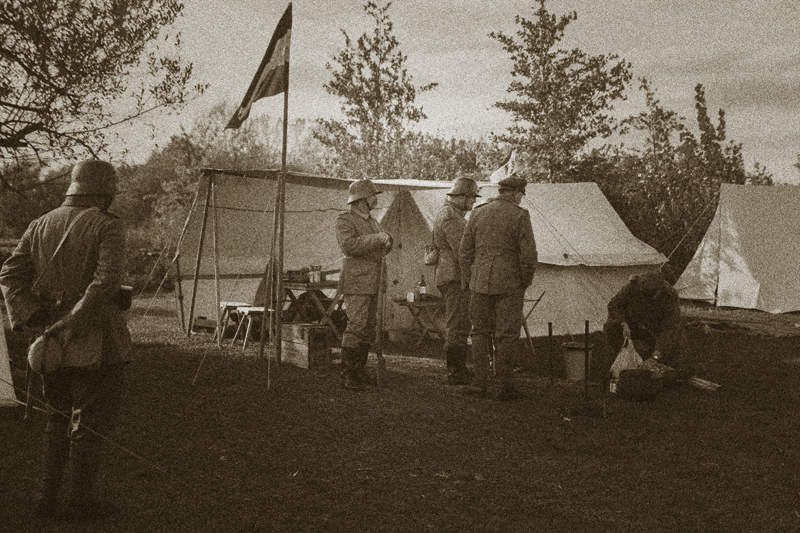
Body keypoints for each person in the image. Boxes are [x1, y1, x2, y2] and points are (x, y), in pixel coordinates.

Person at [0, 160, 132, 521]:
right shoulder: (107, 226)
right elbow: (105, 282)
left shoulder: (39, 223)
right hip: (97, 341)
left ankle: (46, 497)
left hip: (49, 342)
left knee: (55, 419)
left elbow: (9, 276)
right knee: (89, 423)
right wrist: (73, 322)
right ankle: (79, 503)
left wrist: (38, 319)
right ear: (103, 192)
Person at [459, 176, 537, 400]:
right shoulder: (520, 215)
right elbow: (529, 254)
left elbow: (464, 252)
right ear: (514, 193)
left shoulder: (478, 212)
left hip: (479, 281)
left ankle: (479, 383)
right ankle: (502, 386)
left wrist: (470, 278)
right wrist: (525, 280)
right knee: (506, 334)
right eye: (521, 194)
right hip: (510, 282)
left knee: (480, 332)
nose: (521, 198)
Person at [335, 179, 392, 390]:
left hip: (374, 280)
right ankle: (348, 375)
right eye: (372, 196)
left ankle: (359, 371)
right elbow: (349, 245)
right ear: (361, 199)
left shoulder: (373, 221)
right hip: (357, 281)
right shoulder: (345, 220)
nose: (375, 199)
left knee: (368, 328)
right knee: (356, 327)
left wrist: (387, 240)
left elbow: (383, 242)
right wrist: (378, 239)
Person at [432, 176, 480, 385]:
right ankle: (456, 371)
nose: (473, 202)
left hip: (452, 274)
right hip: (455, 276)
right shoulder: (450, 216)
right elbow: (462, 250)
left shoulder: (452, 213)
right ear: (460, 197)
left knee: (459, 322)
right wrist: (469, 277)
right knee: (458, 323)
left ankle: (458, 369)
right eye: (470, 198)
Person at [603, 270, 685, 369]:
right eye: (642, 292)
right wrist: (623, 323)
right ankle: (610, 366)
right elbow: (614, 306)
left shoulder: (669, 297)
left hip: (654, 331)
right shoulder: (632, 287)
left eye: (648, 295)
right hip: (631, 326)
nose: (644, 297)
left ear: (658, 291)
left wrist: (655, 356)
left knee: (673, 350)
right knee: (610, 326)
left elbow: (669, 330)